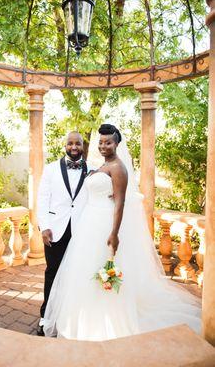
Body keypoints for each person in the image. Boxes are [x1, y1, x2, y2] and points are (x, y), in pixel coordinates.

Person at [43, 124, 201, 341]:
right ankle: (81, 315)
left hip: (104, 225)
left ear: (117, 144)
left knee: (101, 267)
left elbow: (120, 203)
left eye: (108, 142)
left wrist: (114, 233)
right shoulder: (99, 166)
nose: (103, 146)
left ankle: (105, 319)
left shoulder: (118, 167)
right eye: (100, 142)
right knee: (82, 270)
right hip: (88, 224)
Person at [36, 131, 88, 336]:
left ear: (83, 146)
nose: (74, 147)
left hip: (82, 231)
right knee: (52, 274)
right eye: (70, 143)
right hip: (55, 230)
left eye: (78, 144)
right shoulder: (50, 169)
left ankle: (73, 317)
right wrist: (44, 226)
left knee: (77, 275)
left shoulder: (92, 169)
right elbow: (42, 199)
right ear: (65, 145)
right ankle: (46, 317)